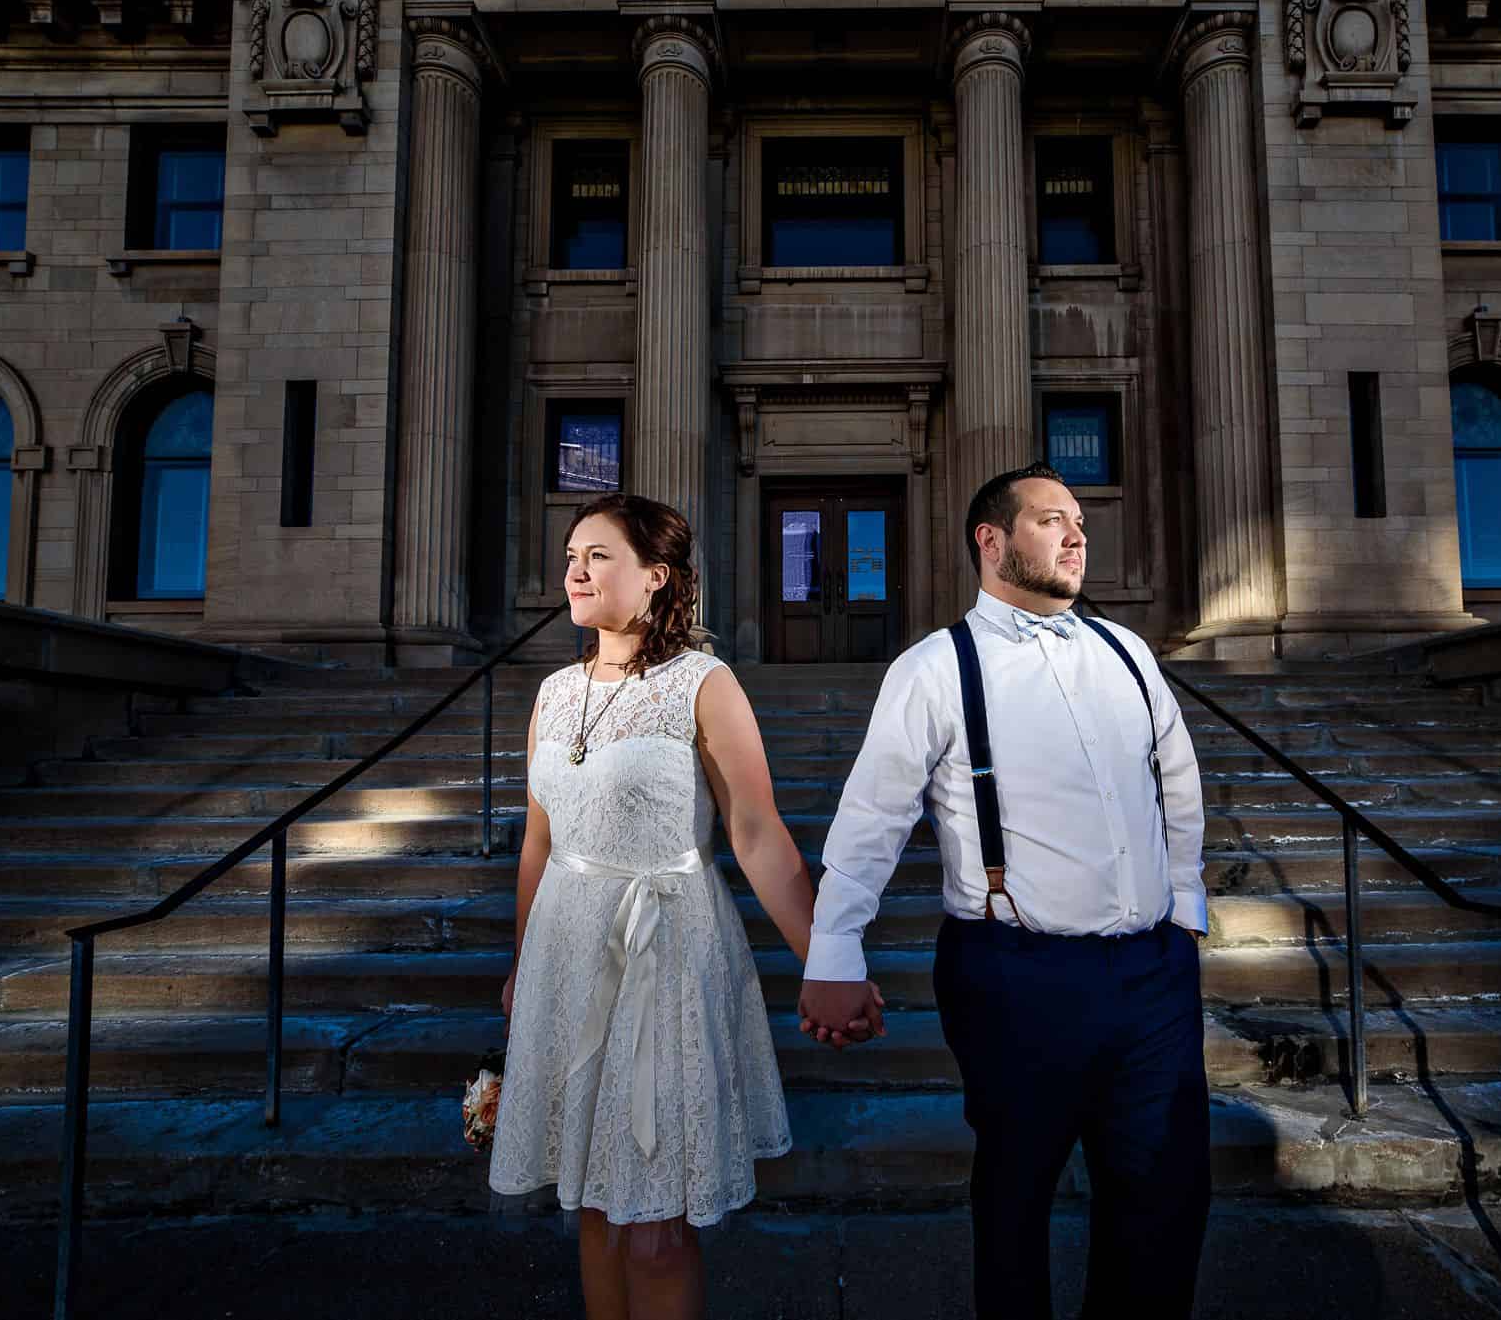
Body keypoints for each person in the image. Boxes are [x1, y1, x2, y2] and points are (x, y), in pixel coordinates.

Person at [798, 464, 1211, 1320]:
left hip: (1153, 977)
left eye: (1081, 522)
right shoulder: (933, 668)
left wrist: (1182, 912)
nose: (1077, 534)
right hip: (1016, 977)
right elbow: (872, 818)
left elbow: (1178, 780)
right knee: (1016, 1204)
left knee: (1166, 1204)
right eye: (1052, 519)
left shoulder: (1128, 652)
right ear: (992, 540)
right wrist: (833, 952)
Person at [491, 492, 844, 1320]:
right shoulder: (551, 692)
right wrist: (519, 969)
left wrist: (831, 960)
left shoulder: (703, 682)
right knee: (591, 1207)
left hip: (666, 957)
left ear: (656, 576)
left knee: (655, 1223)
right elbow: (538, 844)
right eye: (572, 555)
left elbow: (757, 834)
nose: (575, 569)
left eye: (598, 555)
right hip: (564, 956)